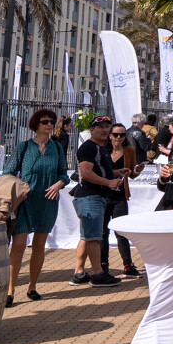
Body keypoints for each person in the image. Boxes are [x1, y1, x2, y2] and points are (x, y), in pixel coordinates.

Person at [2, 109, 70, 305]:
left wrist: (59, 184)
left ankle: (32, 286)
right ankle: (10, 289)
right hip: (25, 202)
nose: (49, 125)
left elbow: (64, 174)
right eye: (45, 122)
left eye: (52, 122)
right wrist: (18, 189)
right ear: (35, 125)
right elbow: (7, 173)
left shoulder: (56, 148)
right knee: (19, 245)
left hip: (48, 201)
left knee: (39, 245)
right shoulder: (23, 147)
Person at [68, 116, 124, 287]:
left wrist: (117, 172)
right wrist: (109, 183)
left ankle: (78, 273)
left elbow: (100, 171)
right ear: (92, 130)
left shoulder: (101, 148)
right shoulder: (88, 148)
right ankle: (98, 275)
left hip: (92, 197)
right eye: (100, 127)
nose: (105, 130)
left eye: (107, 127)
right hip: (89, 196)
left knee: (86, 236)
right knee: (93, 237)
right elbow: (86, 173)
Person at [102, 122, 146, 278]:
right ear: (110, 135)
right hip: (104, 196)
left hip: (120, 196)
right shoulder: (103, 150)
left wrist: (137, 171)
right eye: (116, 134)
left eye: (122, 135)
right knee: (103, 232)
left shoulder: (129, 151)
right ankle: (103, 265)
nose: (119, 138)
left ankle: (128, 265)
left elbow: (131, 174)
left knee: (121, 232)